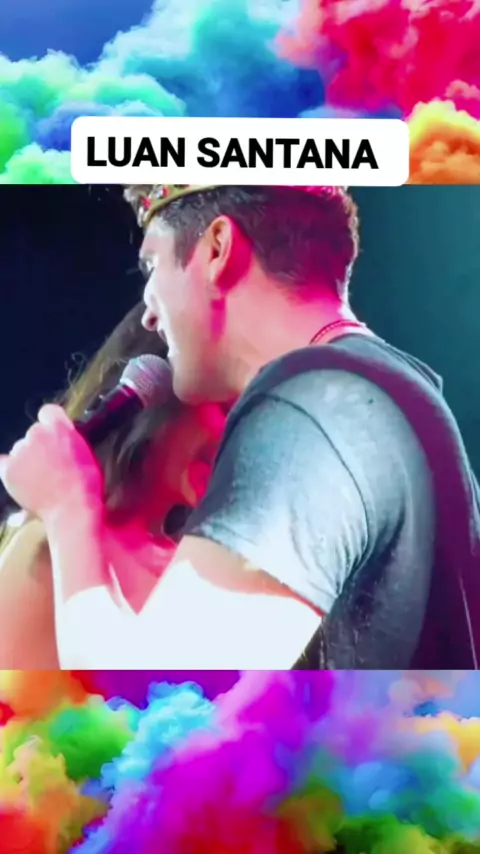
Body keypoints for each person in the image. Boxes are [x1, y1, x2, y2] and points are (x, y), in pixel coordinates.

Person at [1, 184, 479, 669]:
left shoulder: (312, 406)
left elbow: (164, 699)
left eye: (152, 265)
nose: (148, 312)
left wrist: (67, 506)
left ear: (217, 249)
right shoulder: (396, 390)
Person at [0, 301, 225, 669]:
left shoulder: (200, 566)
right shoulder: (48, 547)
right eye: (225, 408)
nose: (236, 437)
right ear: (155, 397)